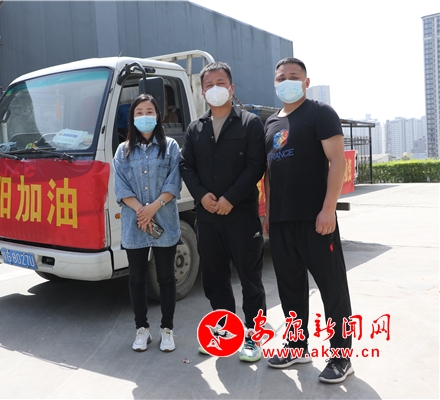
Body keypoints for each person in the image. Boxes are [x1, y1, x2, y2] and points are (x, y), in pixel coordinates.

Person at [263, 57, 354, 383]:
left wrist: (328, 209)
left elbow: (337, 162)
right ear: (275, 83)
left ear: (306, 82)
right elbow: (269, 174)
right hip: (282, 221)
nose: (286, 81)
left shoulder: (320, 113)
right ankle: (297, 345)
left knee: (332, 288)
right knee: (290, 289)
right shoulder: (270, 124)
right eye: (281, 77)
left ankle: (342, 356)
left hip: (316, 219)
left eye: (293, 76)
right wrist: (269, 215)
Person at [179, 62, 267, 362]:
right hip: (207, 217)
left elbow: (256, 165)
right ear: (203, 92)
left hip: (241, 215)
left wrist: (230, 198)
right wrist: (201, 195)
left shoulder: (249, 124)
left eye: (220, 83)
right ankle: (225, 332)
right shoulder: (196, 128)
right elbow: (186, 166)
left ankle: (253, 336)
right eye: (209, 84)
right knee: (214, 278)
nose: (215, 88)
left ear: (231, 88)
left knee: (249, 277)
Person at [113, 93, 182, 353]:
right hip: (135, 223)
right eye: (139, 112)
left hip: (164, 219)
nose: (144, 116)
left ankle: (167, 329)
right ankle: (141, 329)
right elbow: (121, 186)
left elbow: (174, 182)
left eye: (149, 111)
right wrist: (141, 211)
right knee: (136, 278)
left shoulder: (171, 146)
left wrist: (153, 207)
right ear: (132, 118)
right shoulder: (123, 150)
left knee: (166, 278)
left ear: (158, 116)